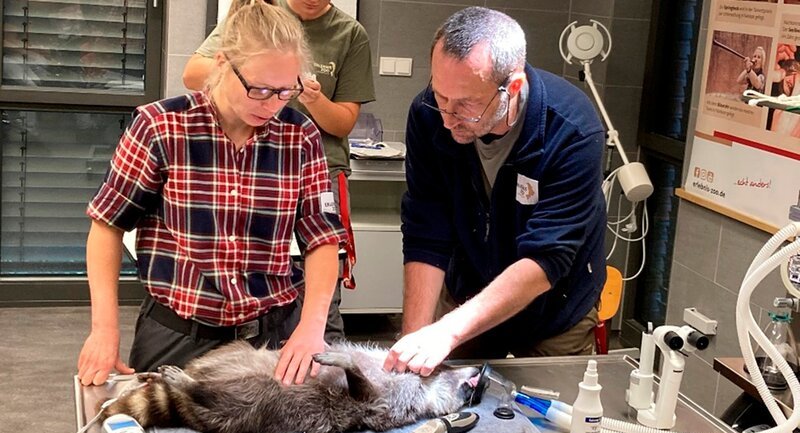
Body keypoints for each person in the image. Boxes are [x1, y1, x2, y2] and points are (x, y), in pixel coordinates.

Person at [77, 0, 345, 387]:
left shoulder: (299, 135)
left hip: (270, 338)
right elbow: (107, 225)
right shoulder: (161, 127)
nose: (271, 105)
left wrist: (312, 326)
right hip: (177, 336)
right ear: (222, 63)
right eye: (259, 88)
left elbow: (322, 240)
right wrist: (104, 328)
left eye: (286, 91)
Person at [383, 7, 608, 376]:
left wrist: (446, 331)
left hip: (554, 310)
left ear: (513, 87)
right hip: (466, 295)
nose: (446, 117)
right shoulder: (428, 116)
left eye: (466, 104)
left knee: (551, 420)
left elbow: (546, 260)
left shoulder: (572, 130)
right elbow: (427, 232)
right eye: (440, 96)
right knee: (435, 395)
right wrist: (417, 337)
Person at [183, 0, 375, 343]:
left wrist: (310, 97)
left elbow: (343, 123)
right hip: (255, 162)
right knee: (245, 269)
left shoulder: (349, 34)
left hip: (320, 167)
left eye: (282, 93)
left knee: (320, 280)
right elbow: (194, 74)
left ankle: (320, 346)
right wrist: (259, 75)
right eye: (261, 90)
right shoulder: (260, 15)